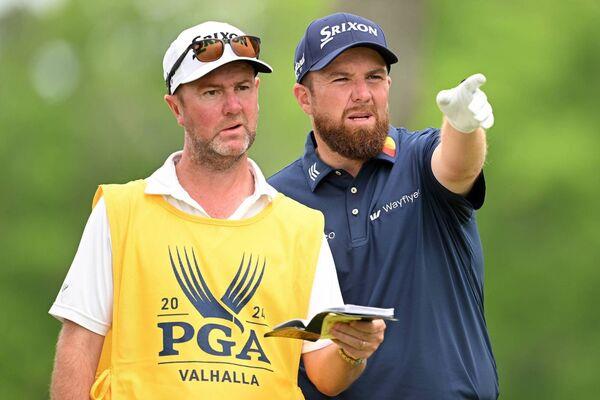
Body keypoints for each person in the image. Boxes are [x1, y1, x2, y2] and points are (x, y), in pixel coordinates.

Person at [48, 21, 386, 400]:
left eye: (243, 88)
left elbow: (324, 373)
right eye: (211, 92)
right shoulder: (120, 212)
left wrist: (351, 351)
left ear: (256, 93)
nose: (233, 106)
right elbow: (78, 347)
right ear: (176, 107)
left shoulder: (301, 227)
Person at [269, 12, 498, 400]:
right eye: (341, 79)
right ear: (304, 97)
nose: (362, 93)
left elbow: (457, 168)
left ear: (388, 84)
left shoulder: (418, 157)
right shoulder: (277, 200)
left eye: (374, 77)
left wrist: (462, 125)